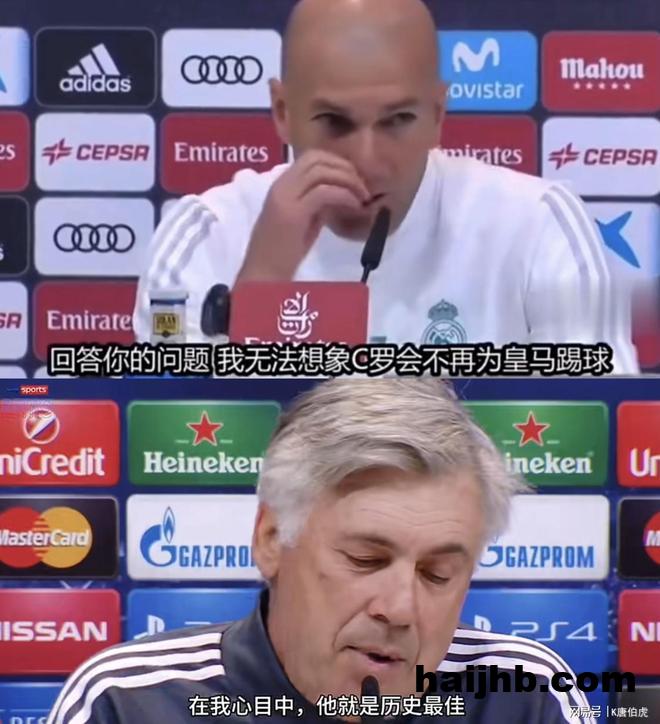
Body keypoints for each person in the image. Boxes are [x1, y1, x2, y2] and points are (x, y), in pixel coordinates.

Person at [48, 377, 596, 724]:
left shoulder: (524, 695)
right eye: (365, 560)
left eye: (438, 573)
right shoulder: (127, 702)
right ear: (271, 540)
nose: (399, 608)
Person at [132, 0, 638, 374]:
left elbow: (594, 444)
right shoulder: (205, 235)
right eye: (335, 122)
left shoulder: (537, 224)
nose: (367, 160)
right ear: (283, 113)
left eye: (397, 121)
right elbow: (173, 452)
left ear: (438, 115)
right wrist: (262, 284)